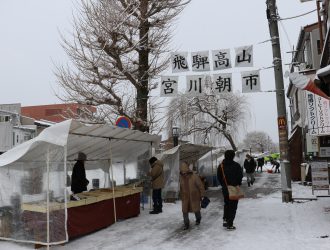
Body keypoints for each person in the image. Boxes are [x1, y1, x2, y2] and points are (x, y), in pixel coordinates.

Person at [217, 150, 243, 231]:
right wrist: (237, 183)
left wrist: (224, 185)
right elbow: (240, 177)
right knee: (233, 206)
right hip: (234, 188)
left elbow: (219, 177)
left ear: (225, 156)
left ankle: (225, 219)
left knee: (226, 204)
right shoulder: (237, 166)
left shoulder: (221, 166)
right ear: (233, 156)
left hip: (225, 188)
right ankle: (230, 224)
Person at [179, 161, 205, 230]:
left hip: (194, 196)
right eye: (182, 172)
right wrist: (180, 195)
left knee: (196, 209)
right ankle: (186, 224)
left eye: (185, 172)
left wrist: (202, 194)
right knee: (184, 210)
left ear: (188, 170)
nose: (183, 174)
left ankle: (198, 219)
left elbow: (200, 186)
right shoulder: (181, 177)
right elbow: (180, 187)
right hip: (185, 196)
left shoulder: (194, 176)